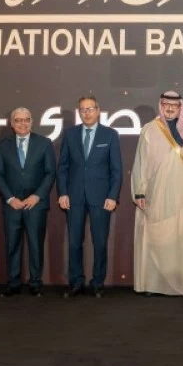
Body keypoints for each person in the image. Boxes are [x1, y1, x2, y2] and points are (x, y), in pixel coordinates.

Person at [132, 90, 183, 296]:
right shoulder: (150, 129)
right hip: (156, 194)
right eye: (166, 105)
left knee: (181, 238)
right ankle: (153, 284)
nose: (170, 109)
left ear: (181, 108)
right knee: (156, 237)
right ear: (161, 106)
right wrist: (139, 193)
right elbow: (141, 163)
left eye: (174, 105)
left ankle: (181, 283)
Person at [57, 95, 122, 298]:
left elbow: (116, 170)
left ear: (98, 110)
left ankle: (97, 283)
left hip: (101, 198)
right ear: (79, 112)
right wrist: (63, 192)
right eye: (83, 109)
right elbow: (63, 167)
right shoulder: (70, 134)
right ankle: (76, 283)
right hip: (74, 196)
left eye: (90, 108)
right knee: (74, 242)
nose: (87, 113)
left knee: (100, 242)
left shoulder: (110, 135)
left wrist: (113, 196)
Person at [0, 107, 56, 297]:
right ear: (11, 124)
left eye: (26, 120)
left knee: (36, 245)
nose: (22, 123)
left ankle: (35, 282)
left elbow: (50, 173)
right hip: (12, 204)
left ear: (32, 122)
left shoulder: (44, 143)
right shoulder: (2, 145)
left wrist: (37, 196)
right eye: (18, 120)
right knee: (12, 245)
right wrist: (10, 198)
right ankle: (13, 283)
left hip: (35, 204)